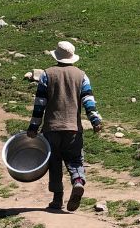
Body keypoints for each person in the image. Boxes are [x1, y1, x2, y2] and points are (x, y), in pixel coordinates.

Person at [26, 40, 103, 211]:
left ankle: (57, 199)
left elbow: (40, 104)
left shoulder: (47, 74)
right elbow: (88, 100)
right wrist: (95, 120)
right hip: (73, 129)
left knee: (54, 163)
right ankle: (77, 181)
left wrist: (33, 127)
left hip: (51, 129)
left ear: (57, 56)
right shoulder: (81, 75)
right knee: (75, 160)